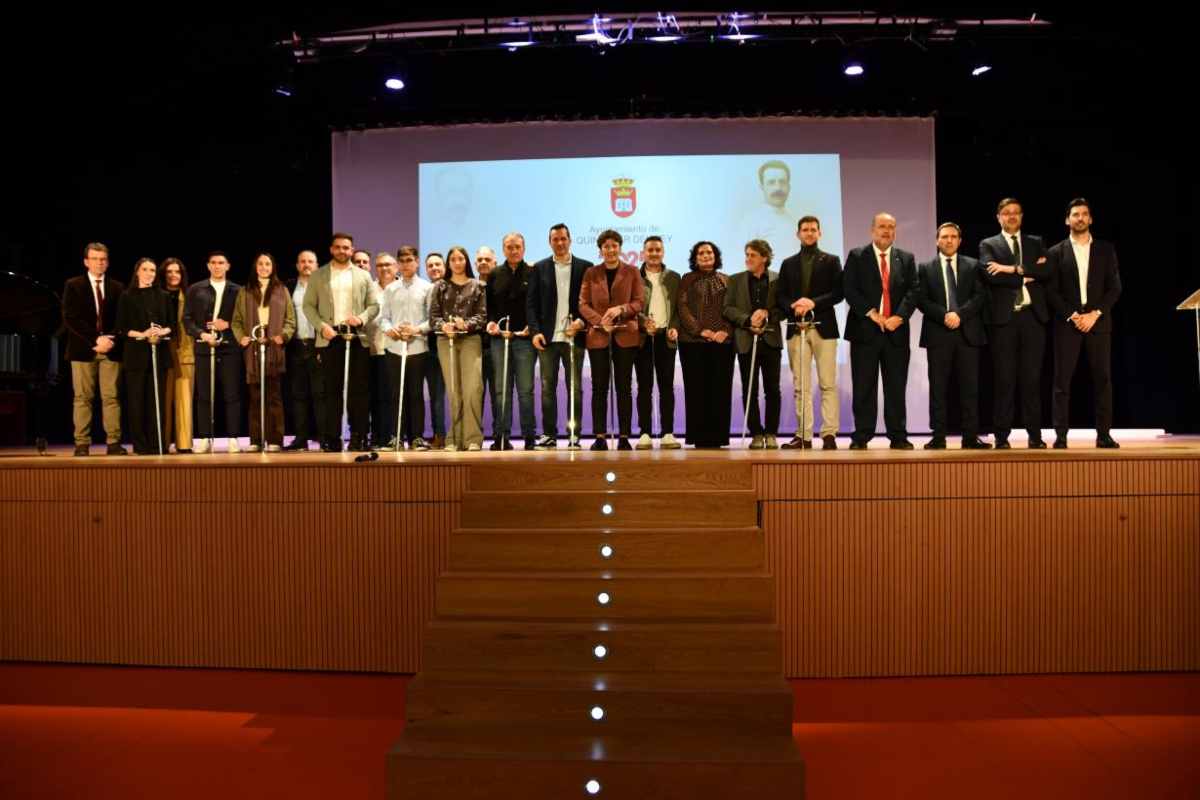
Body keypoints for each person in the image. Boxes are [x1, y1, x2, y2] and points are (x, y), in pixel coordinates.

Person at [1044, 198, 1122, 449]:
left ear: (1091, 219)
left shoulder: (1105, 249)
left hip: (1098, 323)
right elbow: (1051, 291)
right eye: (1075, 214)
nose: (1080, 218)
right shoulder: (1055, 252)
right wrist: (1074, 315)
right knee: (1062, 382)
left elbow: (1114, 288)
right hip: (1068, 324)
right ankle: (1061, 436)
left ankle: (1104, 435)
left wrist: (1094, 314)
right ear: (1067, 220)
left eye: (1084, 214)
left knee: (1103, 380)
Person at [979, 198, 1052, 449]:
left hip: (1033, 318)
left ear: (1021, 216)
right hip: (1004, 320)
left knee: (1032, 380)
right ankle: (1001, 437)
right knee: (1004, 380)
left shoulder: (1035, 242)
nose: (1011, 216)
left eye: (1016, 213)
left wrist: (1010, 269)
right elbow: (990, 276)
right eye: (1006, 213)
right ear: (998, 217)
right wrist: (1026, 275)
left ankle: (1035, 436)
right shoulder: (989, 244)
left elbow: (1047, 271)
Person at [842, 213, 918, 450]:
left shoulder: (906, 258)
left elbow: (914, 291)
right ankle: (862, 435)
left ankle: (898, 436)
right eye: (882, 226)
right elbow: (849, 289)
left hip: (896, 332)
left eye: (891, 227)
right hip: (865, 331)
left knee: (896, 387)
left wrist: (899, 317)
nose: (887, 231)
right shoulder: (857, 256)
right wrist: (872, 313)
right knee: (864, 386)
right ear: (872, 230)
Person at [914, 224, 990, 449]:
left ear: (960, 240)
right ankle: (938, 437)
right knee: (938, 389)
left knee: (970, 388)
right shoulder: (925, 268)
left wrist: (960, 315)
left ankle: (970, 437)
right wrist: (944, 315)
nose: (949, 240)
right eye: (945, 237)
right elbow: (921, 299)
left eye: (953, 237)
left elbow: (980, 296)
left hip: (968, 333)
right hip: (939, 333)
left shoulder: (973, 265)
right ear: (937, 240)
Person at [302, 233, 379, 452]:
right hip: (330, 337)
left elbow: (374, 306)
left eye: (346, 248)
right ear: (331, 249)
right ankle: (332, 438)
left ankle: (359, 436)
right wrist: (321, 327)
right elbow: (308, 306)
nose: (342, 251)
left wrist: (361, 318)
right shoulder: (318, 275)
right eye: (338, 247)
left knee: (359, 391)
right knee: (331, 391)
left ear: (352, 250)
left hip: (356, 337)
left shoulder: (363, 276)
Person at [775, 216, 843, 449]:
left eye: (813, 229)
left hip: (824, 328)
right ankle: (803, 435)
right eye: (805, 230)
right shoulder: (788, 263)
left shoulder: (831, 260)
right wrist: (794, 306)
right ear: (798, 234)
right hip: (797, 329)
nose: (809, 233)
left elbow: (838, 293)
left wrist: (812, 302)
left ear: (819, 233)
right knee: (800, 386)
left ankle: (829, 434)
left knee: (827, 384)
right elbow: (781, 295)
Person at [527, 223, 592, 449]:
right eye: (555, 239)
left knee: (575, 389)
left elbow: (591, 302)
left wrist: (582, 322)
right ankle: (549, 434)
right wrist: (535, 332)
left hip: (575, 338)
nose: (560, 243)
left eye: (563, 238)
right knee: (547, 389)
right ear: (550, 242)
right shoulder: (539, 268)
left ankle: (574, 434)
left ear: (570, 240)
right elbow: (531, 304)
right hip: (547, 339)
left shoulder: (585, 267)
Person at [579, 229, 644, 450]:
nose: (610, 250)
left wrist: (621, 309)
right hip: (598, 336)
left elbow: (639, 302)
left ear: (620, 247)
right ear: (600, 250)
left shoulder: (632, 271)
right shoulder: (591, 273)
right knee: (599, 388)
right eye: (606, 246)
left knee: (624, 388)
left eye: (614, 245)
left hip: (626, 335)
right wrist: (601, 322)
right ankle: (600, 437)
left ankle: (624, 436)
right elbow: (583, 304)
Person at [62, 242, 125, 456]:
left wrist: (110, 339)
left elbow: (122, 318)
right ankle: (82, 443)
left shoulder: (117, 287)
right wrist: (95, 340)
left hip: (111, 349)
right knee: (82, 398)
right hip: (83, 350)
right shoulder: (73, 285)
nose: (99, 263)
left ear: (107, 263)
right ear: (86, 262)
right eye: (95, 259)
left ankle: (113, 442)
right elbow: (70, 318)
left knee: (111, 397)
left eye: (103, 259)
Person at [233, 252, 295, 452]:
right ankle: (256, 440)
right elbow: (236, 321)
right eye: (260, 264)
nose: (264, 267)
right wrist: (241, 337)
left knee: (274, 396)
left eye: (267, 264)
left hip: (273, 347)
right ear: (255, 266)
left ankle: (275, 439)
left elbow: (290, 320)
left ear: (273, 267)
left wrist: (284, 335)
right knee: (255, 396)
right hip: (253, 347)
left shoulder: (281, 290)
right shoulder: (245, 291)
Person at [723, 239, 782, 449]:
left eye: (753, 255)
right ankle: (756, 433)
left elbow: (783, 308)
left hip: (771, 340)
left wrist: (766, 315)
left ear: (764, 258)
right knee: (750, 389)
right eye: (747, 254)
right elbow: (728, 308)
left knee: (772, 389)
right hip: (746, 341)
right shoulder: (735, 279)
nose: (748, 259)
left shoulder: (777, 279)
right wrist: (748, 320)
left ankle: (771, 433)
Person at [677, 241, 735, 448]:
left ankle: (718, 437)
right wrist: (700, 330)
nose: (705, 255)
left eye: (709, 252)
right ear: (695, 258)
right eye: (701, 253)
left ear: (715, 256)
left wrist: (725, 331)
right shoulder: (687, 279)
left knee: (720, 390)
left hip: (722, 342)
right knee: (696, 390)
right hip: (693, 342)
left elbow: (733, 307)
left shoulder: (727, 280)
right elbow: (682, 307)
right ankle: (698, 437)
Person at [184, 251, 243, 453]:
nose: (217, 266)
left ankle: (233, 437)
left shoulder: (238, 291)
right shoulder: (196, 289)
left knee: (232, 393)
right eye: (213, 263)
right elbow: (187, 319)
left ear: (228, 266)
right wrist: (201, 334)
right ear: (208, 266)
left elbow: (244, 319)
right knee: (204, 395)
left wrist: (228, 324)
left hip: (230, 348)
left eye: (221, 263)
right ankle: (204, 437)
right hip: (204, 347)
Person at [430, 246, 487, 451]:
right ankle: (454, 438)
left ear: (466, 261)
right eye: (453, 259)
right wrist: (443, 325)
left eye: (460, 258)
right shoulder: (440, 286)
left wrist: (467, 324)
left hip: (470, 340)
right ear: (448, 263)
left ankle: (473, 439)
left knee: (472, 389)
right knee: (454, 391)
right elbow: (433, 317)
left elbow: (482, 317)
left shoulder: (478, 285)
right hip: (447, 341)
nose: (457, 262)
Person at [116, 258, 173, 455]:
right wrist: (143, 334)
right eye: (145, 269)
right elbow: (121, 328)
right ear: (137, 272)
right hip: (136, 356)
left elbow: (172, 325)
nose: (149, 273)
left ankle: (158, 444)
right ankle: (140, 445)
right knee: (137, 402)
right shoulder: (127, 296)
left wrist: (161, 331)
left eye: (152, 270)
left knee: (156, 402)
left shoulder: (163, 296)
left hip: (159, 355)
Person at [379, 246, 433, 450]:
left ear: (417, 262)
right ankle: (397, 437)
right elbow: (383, 318)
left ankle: (417, 437)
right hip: (394, 348)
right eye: (401, 261)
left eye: (409, 260)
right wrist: (390, 329)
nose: (405, 264)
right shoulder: (391, 289)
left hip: (417, 347)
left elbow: (432, 319)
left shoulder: (427, 288)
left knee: (416, 394)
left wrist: (416, 329)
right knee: (396, 394)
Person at [485, 234, 536, 450]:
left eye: (517, 247)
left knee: (525, 390)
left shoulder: (533, 272)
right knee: (501, 390)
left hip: (524, 340)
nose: (513, 250)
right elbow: (488, 308)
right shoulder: (494, 274)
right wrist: (491, 324)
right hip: (500, 341)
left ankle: (529, 436)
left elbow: (537, 305)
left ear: (523, 248)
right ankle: (501, 436)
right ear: (503, 249)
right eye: (509, 247)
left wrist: (531, 328)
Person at [634, 235, 681, 449]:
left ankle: (667, 433)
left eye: (658, 250)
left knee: (666, 387)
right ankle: (644, 433)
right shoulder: (634, 276)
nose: (654, 254)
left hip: (666, 339)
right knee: (644, 386)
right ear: (643, 253)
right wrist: (643, 323)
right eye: (650, 250)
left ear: (663, 252)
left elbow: (679, 309)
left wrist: (674, 327)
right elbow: (630, 307)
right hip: (643, 338)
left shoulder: (674, 277)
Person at [284, 250, 327, 451]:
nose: (306, 264)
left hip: (317, 345)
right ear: (297, 265)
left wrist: (322, 345)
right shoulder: (289, 286)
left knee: (320, 395)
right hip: (295, 345)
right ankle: (300, 438)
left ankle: (323, 437)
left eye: (310, 261)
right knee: (298, 395)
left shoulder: (324, 286)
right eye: (303, 261)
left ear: (317, 265)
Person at [158, 257, 193, 453]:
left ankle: (184, 443)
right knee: (163, 399)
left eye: (177, 271)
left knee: (184, 399)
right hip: (162, 351)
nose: (173, 275)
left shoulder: (190, 296)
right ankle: (162, 443)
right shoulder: (156, 296)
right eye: (169, 272)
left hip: (186, 352)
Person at [367, 252, 398, 449]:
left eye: (388, 264)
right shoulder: (369, 288)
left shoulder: (401, 287)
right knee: (375, 397)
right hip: (373, 348)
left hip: (396, 349)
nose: (384, 268)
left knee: (392, 396)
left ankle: (393, 435)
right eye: (379, 265)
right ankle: (377, 436)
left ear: (395, 266)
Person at [423, 252, 448, 448]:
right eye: (430, 265)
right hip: (430, 347)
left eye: (438, 264)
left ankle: (459, 434)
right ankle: (439, 434)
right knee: (436, 395)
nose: (434, 268)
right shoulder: (425, 290)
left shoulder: (453, 287)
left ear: (445, 266)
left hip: (452, 344)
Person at [475, 245, 498, 440]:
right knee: (475, 395)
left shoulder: (501, 285)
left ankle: (499, 436)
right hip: (474, 348)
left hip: (497, 347)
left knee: (498, 395)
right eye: (480, 260)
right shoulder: (470, 287)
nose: (483, 263)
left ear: (495, 263)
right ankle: (475, 436)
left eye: (487, 260)